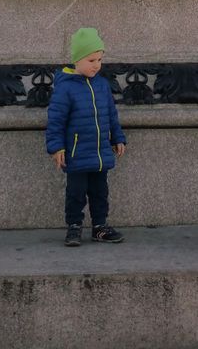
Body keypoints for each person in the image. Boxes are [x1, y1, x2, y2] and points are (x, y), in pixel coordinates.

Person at [45, 27, 126, 246]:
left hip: (99, 153)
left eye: (99, 59)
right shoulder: (66, 88)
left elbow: (111, 114)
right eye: (91, 60)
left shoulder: (101, 85)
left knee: (100, 192)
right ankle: (74, 227)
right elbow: (56, 120)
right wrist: (56, 147)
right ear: (77, 60)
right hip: (77, 154)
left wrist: (117, 137)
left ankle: (100, 227)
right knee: (76, 194)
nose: (96, 65)